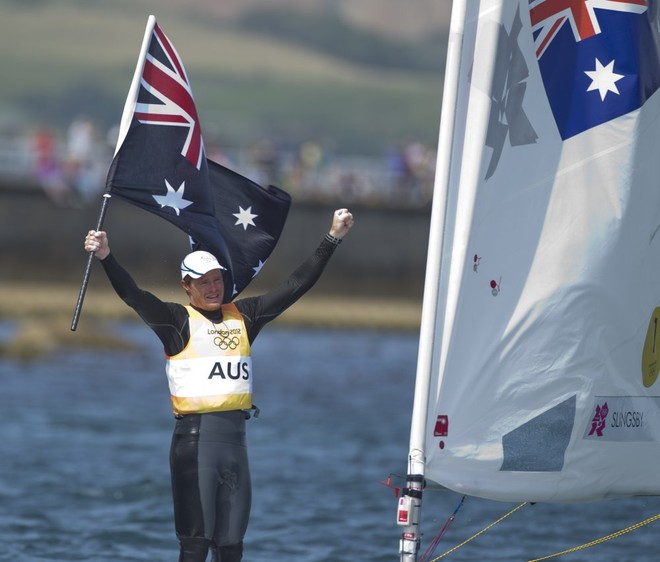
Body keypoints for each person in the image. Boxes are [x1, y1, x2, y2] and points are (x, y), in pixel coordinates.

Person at [83, 208, 354, 562]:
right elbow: (135, 296)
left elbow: (295, 285)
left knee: (231, 546)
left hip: (236, 446)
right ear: (187, 285)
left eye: (217, 280)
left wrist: (332, 237)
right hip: (195, 445)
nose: (213, 288)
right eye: (203, 282)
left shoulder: (244, 316)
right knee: (196, 545)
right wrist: (106, 257)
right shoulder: (175, 321)